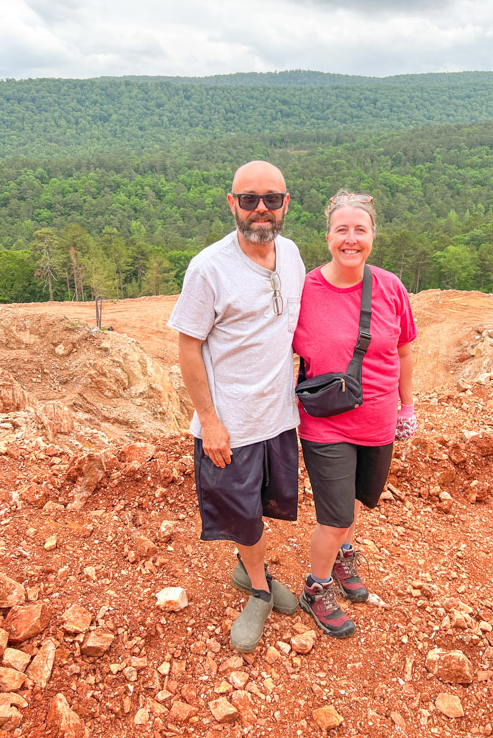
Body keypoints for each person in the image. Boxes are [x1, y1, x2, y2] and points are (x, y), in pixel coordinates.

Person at [167, 161, 305, 652]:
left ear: (286, 203)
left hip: (279, 416)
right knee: (241, 513)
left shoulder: (291, 255)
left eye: (271, 198)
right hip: (231, 423)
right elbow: (188, 346)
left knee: (265, 503)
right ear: (232, 204)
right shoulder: (209, 267)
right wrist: (209, 421)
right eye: (250, 199)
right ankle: (260, 588)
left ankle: (248, 570)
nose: (261, 208)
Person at [292, 190, 417, 637]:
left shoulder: (390, 286)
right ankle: (316, 587)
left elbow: (403, 349)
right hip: (325, 424)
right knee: (336, 516)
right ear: (327, 237)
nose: (351, 238)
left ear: (372, 236)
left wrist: (408, 407)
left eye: (359, 230)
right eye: (341, 230)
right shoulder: (303, 289)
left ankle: (344, 559)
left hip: (378, 420)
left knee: (357, 501)